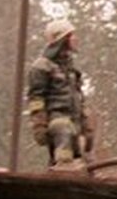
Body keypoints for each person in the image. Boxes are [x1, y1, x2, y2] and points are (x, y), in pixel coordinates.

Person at [28, 18, 90, 167]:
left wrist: (86, 124)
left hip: (75, 121)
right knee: (64, 149)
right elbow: (36, 99)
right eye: (71, 35)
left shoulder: (70, 68)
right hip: (58, 119)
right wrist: (40, 125)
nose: (76, 39)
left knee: (79, 159)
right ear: (61, 39)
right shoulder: (42, 66)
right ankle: (62, 171)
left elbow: (78, 98)